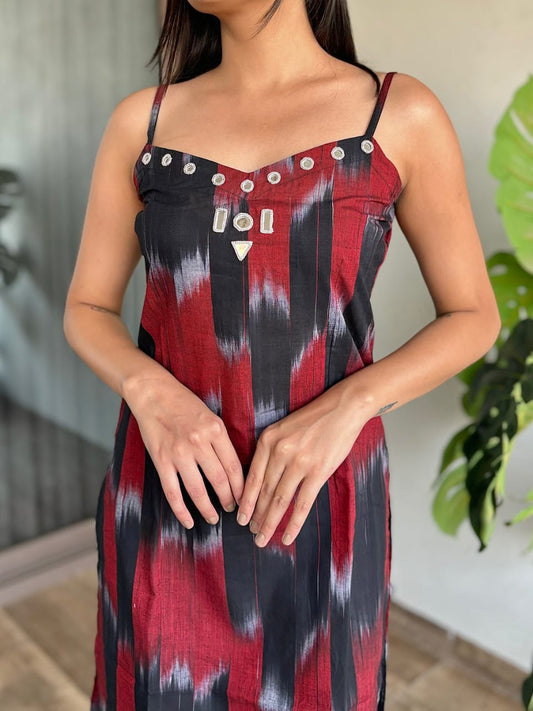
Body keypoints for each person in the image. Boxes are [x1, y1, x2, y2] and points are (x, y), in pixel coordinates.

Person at [63, 0, 501, 709]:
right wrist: (151, 392)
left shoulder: (395, 115)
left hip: (321, 507)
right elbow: (86, 307)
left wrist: (350, 404)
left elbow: (473, 315)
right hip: (172, 502)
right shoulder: (143, 124)